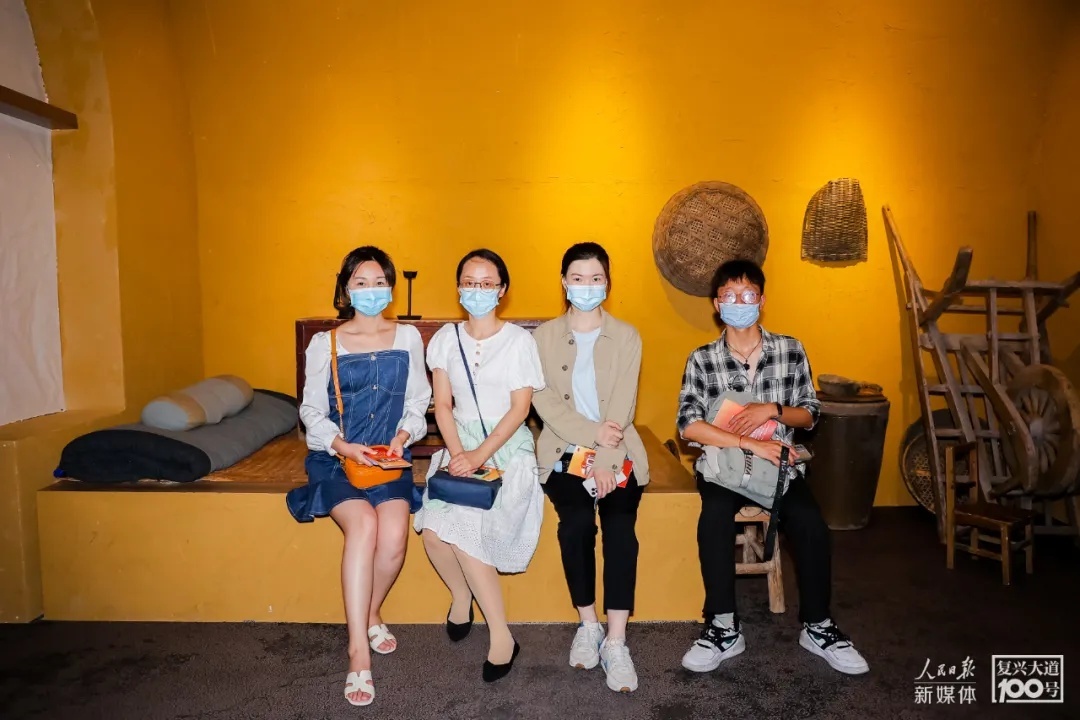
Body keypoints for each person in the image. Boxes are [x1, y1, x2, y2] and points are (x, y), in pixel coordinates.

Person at [676, 259, 869, 676]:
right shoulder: (702, 359)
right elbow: (688, 425)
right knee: (713, 520)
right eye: (729, 296)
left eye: (748, 294)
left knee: (811, 524)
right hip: (725, 468)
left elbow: (811, 414)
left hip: (779, 468)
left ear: (761, 301)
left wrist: (772, 410)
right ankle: (723, 627)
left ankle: (818, 626)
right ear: (716, 304)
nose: (739, 302)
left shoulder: (789, 350)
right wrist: (749, 443)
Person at [286, 246, 432, 707]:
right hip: (338, 457)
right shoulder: (324, 344)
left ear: (390, 288)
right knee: (365, 526)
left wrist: (403, 435)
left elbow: (418, 400)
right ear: (346, 290)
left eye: (379, 282)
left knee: (395, 538)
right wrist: (344, 446)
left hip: (387, 457)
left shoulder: (408, 337)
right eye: (361, 283)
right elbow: (311, 410)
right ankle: (357, 653)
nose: (371, 291)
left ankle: (370, 612)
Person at [413, 248, 546, 682]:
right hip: (459, 446)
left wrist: (479, 456)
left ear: (502, 290)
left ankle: (502, 636)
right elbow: (443, 405)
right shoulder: (445, 339)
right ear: (458, 288)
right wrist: (458, 454)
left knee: (467, 535)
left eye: (487, 283)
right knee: (433, 533)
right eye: (470, 282)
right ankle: (460, 596)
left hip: (505, 450)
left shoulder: (519, 342)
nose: (478, 290)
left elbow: (520, 409)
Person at [532, 242, 649, 694]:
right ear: (564, 282)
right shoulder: (542, 338)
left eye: (595, 278)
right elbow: (542, 401)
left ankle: (616, 640)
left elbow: (624, 404)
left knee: (620, 528)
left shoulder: (627, 336)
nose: (586, 286)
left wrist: (605, 457)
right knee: (577, 525)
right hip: (563, 451)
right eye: (578, 278)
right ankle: (588, 624)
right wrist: (592, 437)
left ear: (607, 283)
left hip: (617, 451)